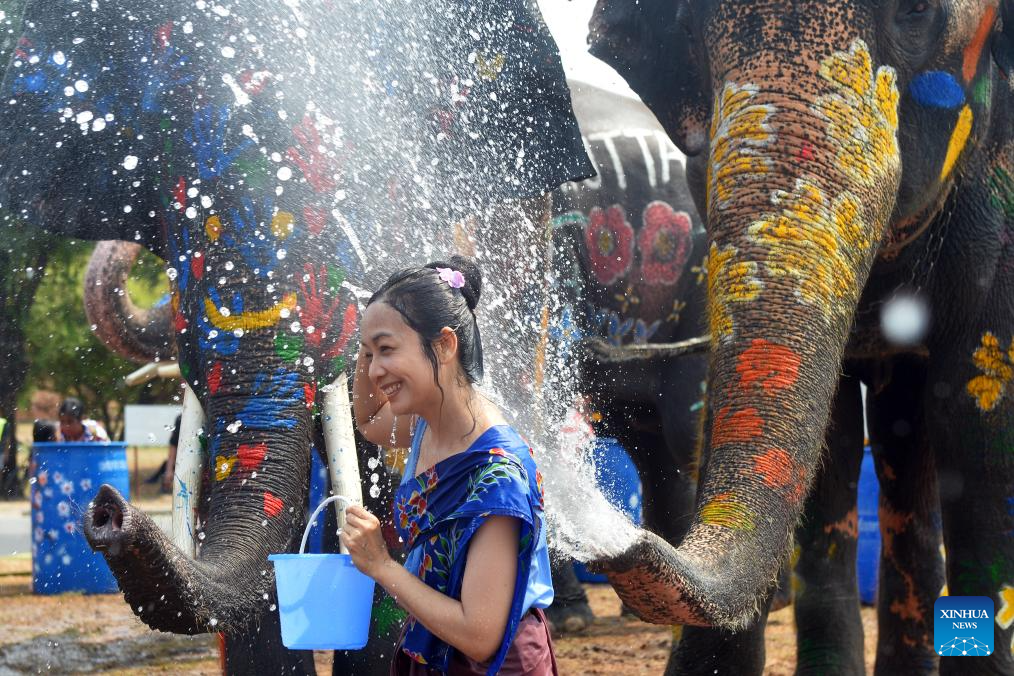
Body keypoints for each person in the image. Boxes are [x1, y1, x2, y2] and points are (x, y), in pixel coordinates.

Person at [342, 255, 557, 675]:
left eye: (386, 350)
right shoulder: (425, 424)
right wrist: (368, 340)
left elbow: (481, 635)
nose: (373, 370)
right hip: (438, 647)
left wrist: (381, 565)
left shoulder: (497, 475)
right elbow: (368, 421)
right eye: (368, 354)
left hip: (494, 664)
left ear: (443, 345)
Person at [145, 413, 181, 493]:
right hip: (180, 461)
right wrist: (169, 471)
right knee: (167, 465)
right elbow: (173, 445)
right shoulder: (181, 419)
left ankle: (155, 479)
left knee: (166, 465)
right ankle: (159, 482)